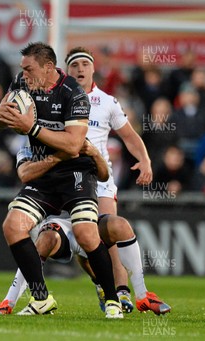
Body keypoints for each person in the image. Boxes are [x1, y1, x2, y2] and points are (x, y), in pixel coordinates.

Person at [0, 42, 121, 318]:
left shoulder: (73, 94)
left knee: (87, 233)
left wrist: (32, 128)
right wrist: (0, 117)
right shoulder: (22, 83)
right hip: (44, 171)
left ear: (48, 67)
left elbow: (74, 145)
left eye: (29, 69)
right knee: (13, 226)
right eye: (22, 69)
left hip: (75, 171)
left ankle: (112, 299)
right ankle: (41, 299)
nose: (23, 74)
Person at [0, 138, 170, 315]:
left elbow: (117, 153)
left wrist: (140, 159)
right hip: (58, 220)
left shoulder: (86, 134)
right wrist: (57, 157)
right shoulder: (35, 144)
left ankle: (141, 295)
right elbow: (25, 174)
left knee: (119, 226)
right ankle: (12, 300)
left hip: (85, 214)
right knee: (45, 241)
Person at [63, 46, 153, 310]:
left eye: (84, 64)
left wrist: (145, 160)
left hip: (100, 178)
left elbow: (129, 136)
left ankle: (123, 292)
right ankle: (101, 282)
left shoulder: (107, 102)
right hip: (68, 179)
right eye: (74, 65)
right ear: (67, 71)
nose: (80, 69)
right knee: (83, 242)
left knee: (108, 233)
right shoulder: (60, 99)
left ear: (93, 69)